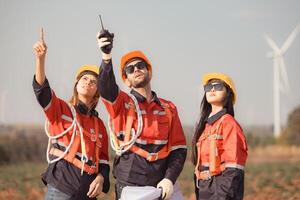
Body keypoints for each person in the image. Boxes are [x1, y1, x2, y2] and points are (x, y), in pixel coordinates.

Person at [96, 30, 187, 200]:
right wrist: (106, 57)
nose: (136, 69)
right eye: (130, 69)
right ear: (126, 80)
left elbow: (179, 149)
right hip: (131, 184)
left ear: (149, 71)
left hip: (160, 185)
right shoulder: (121, 103)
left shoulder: (168, 108)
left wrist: (169, 178)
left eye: (140, 65)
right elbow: (106, 88)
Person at [32, 28, 110, 200]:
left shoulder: (100, 125)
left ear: (97, 91)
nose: (88, 82)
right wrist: (40, 59)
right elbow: (42, 91)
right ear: (76, 84)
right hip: (61, 190)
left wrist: (101, 177)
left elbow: (103, 161)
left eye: (93, 81)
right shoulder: (61, 110)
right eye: (84, 79)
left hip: (88, 195)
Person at [192, 73, 248, 200]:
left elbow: (234, 168)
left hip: (220, 190)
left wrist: (224, 195)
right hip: (205, 189)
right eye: (208, 87)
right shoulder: (205, 126)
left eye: (217, 86)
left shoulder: (229, 123)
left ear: (228, 93)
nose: (212, 89)